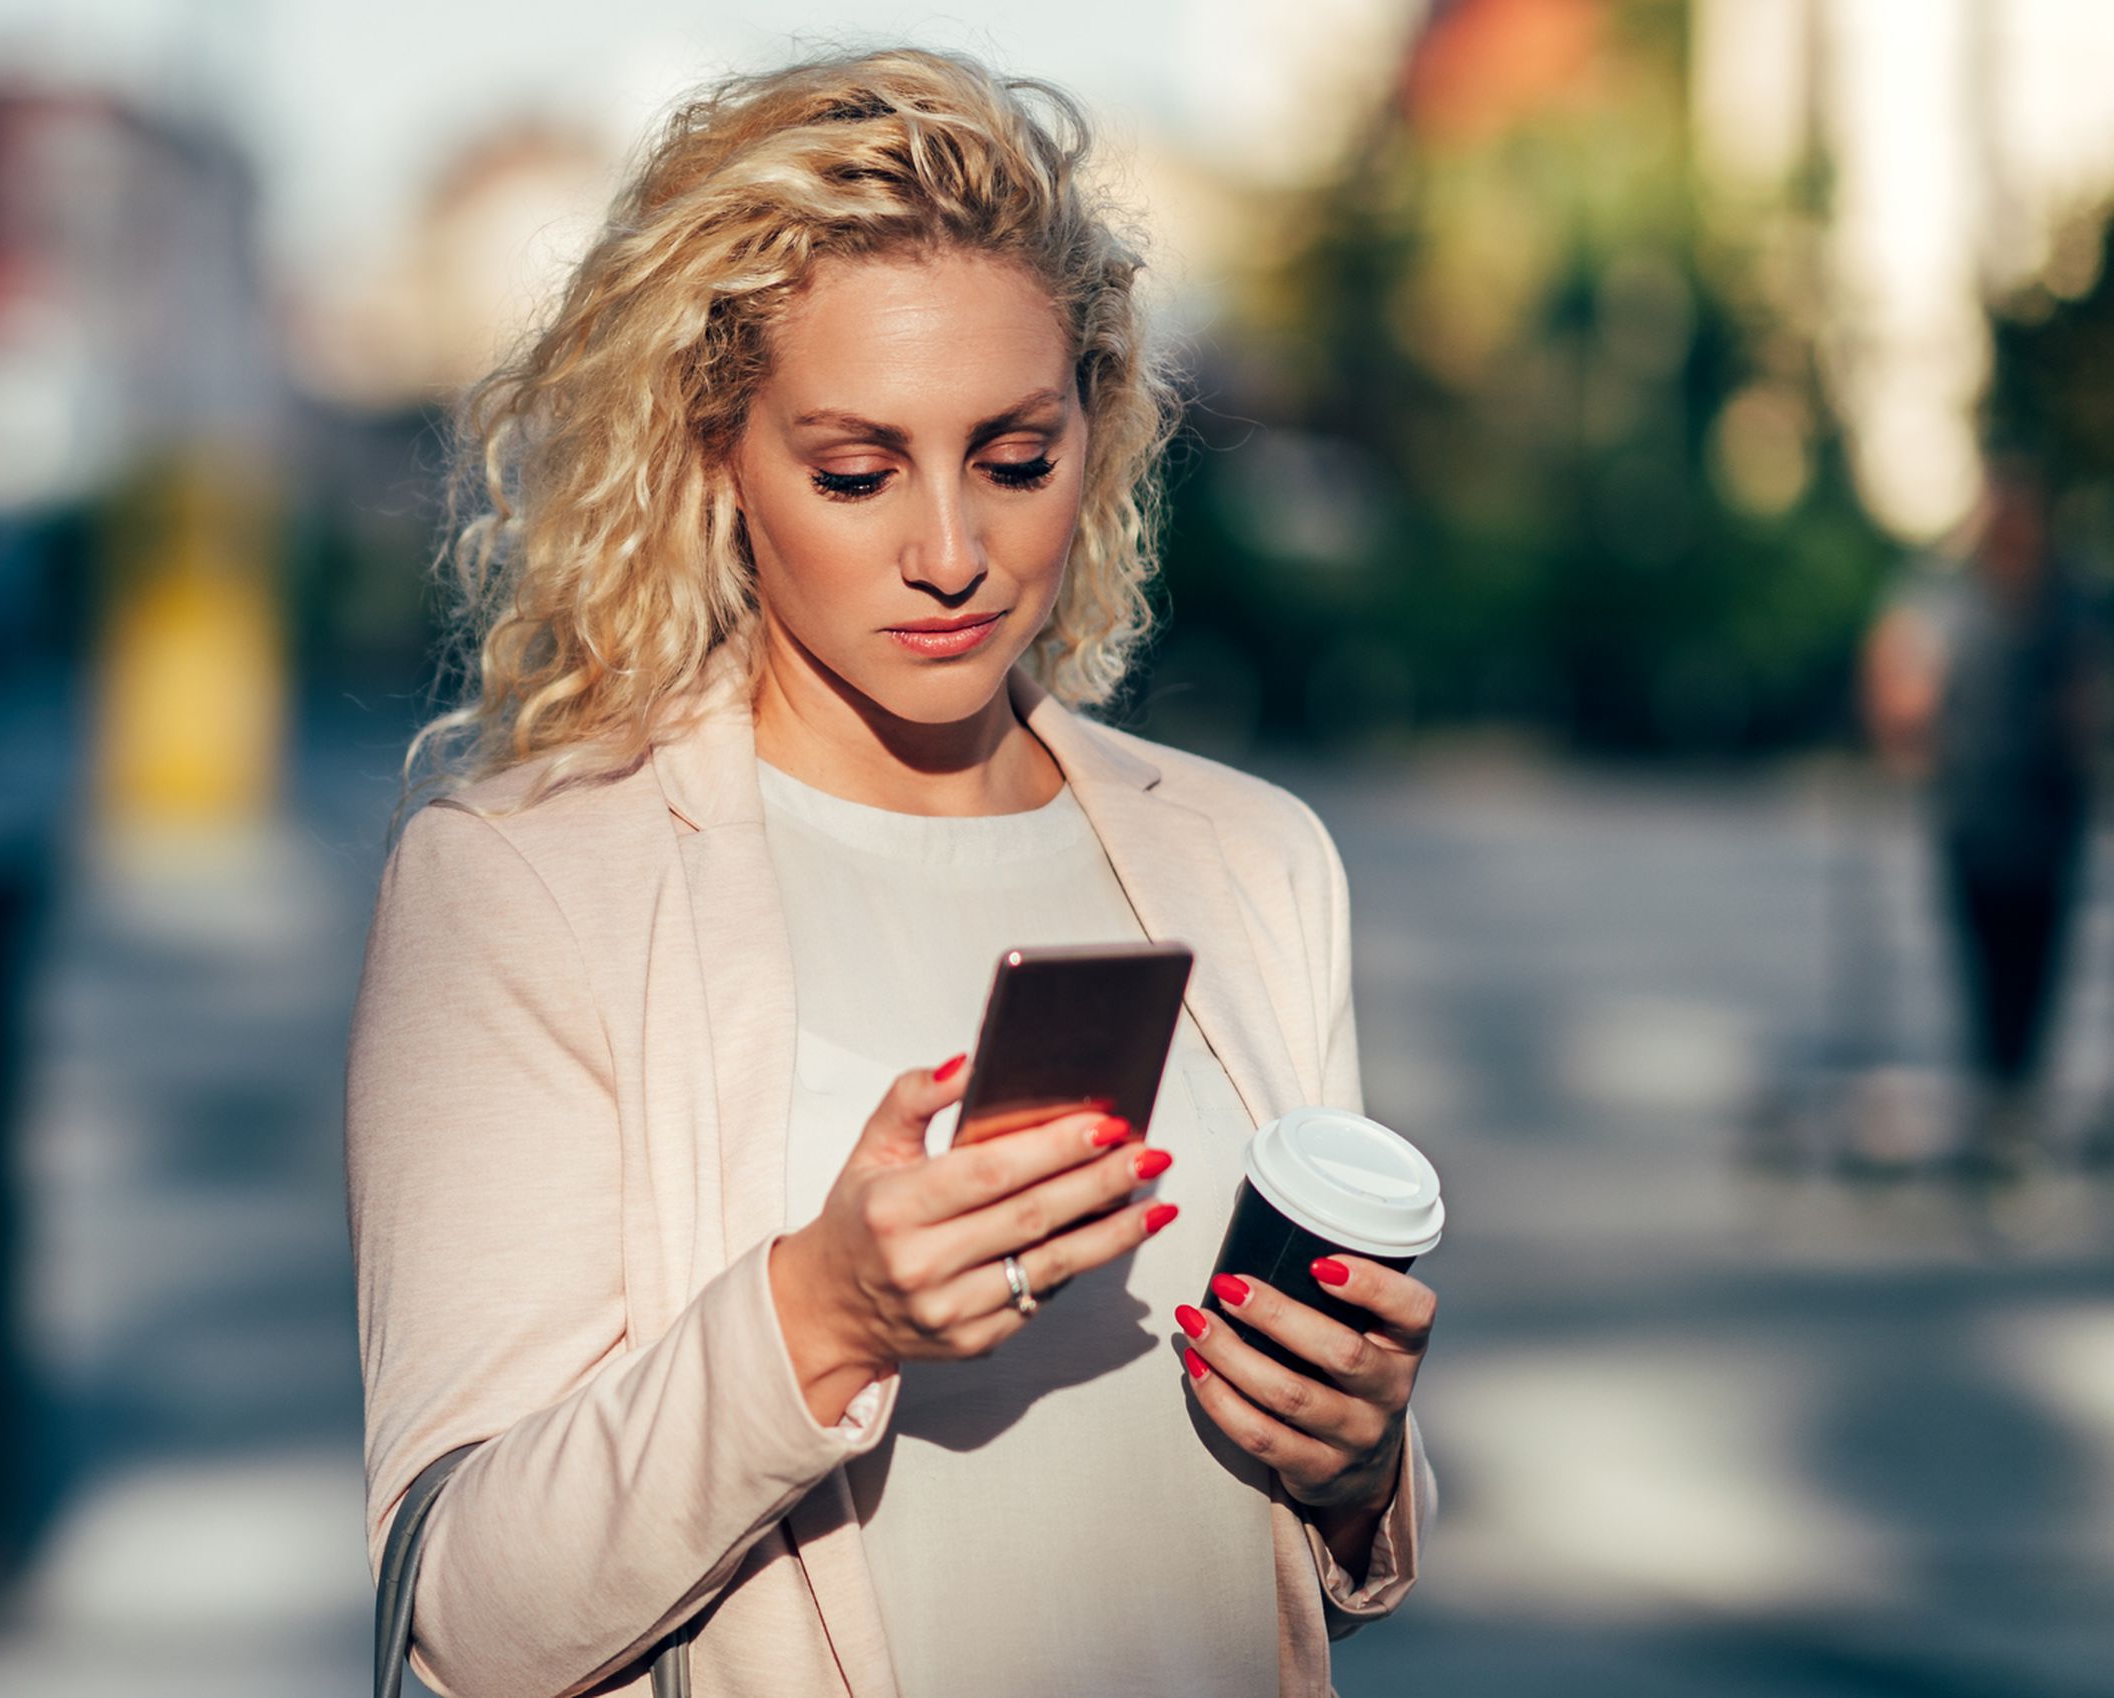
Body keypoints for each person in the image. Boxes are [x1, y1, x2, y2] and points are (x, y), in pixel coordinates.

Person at [347, 50, 1432, 1697]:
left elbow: (1291, 1551)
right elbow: (468, 1619)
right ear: (714, 461)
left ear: (1099, 428)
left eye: (1014, 457)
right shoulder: (526, 882)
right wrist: (820, 1311)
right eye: (855, 472)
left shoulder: (1252, 859)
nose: (949, 550)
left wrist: (1357, 1462)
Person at [1859, 447, 2103, 1169]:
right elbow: (1898, 661)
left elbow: (2088, 686)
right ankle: (1995, 1096)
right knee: (1981, 949)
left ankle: (2017, 1096)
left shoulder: (2072, 594)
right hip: (1972, 807)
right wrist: (1901, 719)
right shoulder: (1945, 590)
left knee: (2041, 954)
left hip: (2050, 810)